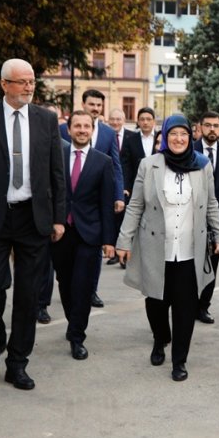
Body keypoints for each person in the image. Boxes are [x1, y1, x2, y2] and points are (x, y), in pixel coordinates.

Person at [0, 58, 66, 391]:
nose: (29, 87)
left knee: (29, 294)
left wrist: (59, 216)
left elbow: (56, 174)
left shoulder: (46, 120)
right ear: (4, 84)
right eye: (22, 82)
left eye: (32, 81)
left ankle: (17, 362)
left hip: (33, 217)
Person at [116, 114, 219, 382]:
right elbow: (136, 205)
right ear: (164, 137)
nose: (178, 139)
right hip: (156, 246)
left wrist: (218, 232)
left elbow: (211, 203)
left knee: (186, 306)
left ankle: (180, 360)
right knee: (155, 301)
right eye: (173, 134)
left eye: (184, 134)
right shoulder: (149, 165)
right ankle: (160, 337)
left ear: (191, 137)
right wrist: (123, 240)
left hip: (189, 248)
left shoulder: (202, 165)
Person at [51, 110, 116, 360]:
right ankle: (72, 321)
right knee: (65, 284)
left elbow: (106, 204)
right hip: (60, 232)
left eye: (86, 126)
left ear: (92, 130)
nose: (81, 130)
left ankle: (77, 336)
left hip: (90, 233)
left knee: (83, 286)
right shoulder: (56, 157)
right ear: (68, 130)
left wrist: (108, 240)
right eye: (77, 126)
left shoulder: (103, 161)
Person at [58, 88, 125, 307]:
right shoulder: (62, 131)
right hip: (66, 211)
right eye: (92, 104)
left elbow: (115, 165)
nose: (95, 108)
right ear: (84, 104)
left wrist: (118, 194)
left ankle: (91, 291)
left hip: (94, 206)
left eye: (99, 105)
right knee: (64, 272)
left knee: (90, 261)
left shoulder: (107, 133)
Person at [193, 111, 219, 324]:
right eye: (207, 125)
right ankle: (188, 305)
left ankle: (203, 306)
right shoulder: (190, 151)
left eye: (216, 125)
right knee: (190, 264)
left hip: (218, 219)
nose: (211, 129)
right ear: (200, 127)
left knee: (212, 264)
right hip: (191, 218)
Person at [107, 109, 130, 266]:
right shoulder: (106, 135)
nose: (115, 122)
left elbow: (132, 165)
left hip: (127, 187)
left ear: (124, 120)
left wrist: (125, 186)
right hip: (110, 185)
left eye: (118, 119)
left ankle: (125, 252)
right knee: (113, 221)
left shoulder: (132, 137)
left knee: (125, 222)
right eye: (112, 119)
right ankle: (115, 252)